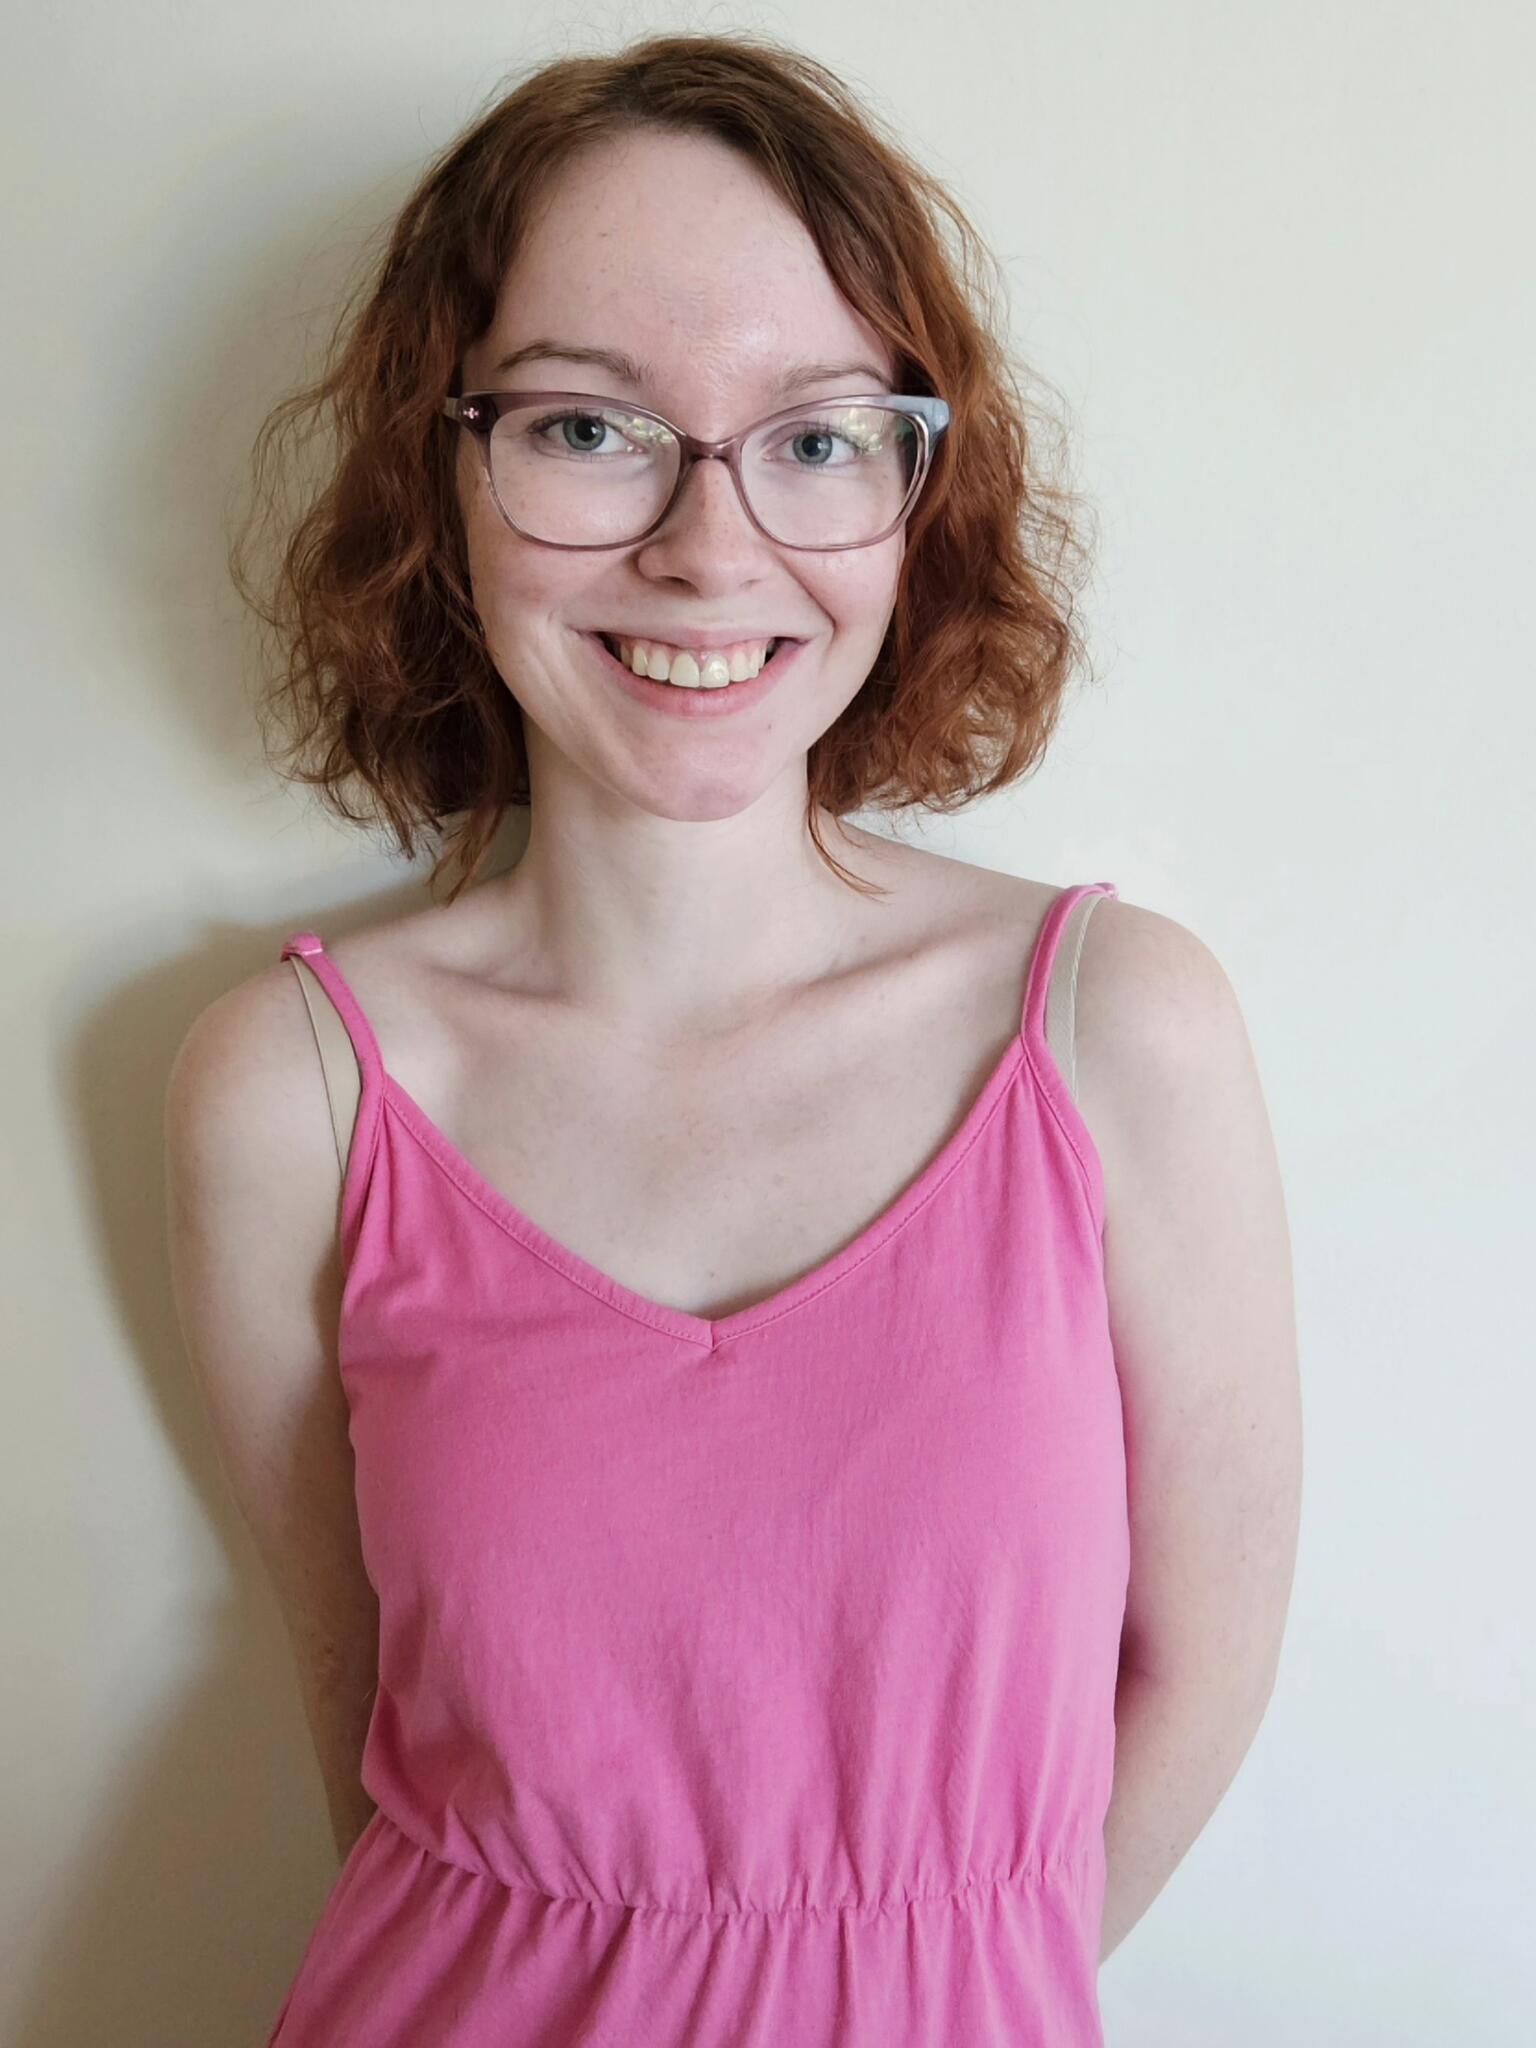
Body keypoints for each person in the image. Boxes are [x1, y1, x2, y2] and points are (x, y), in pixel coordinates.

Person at [163, 31, 1301, 2048]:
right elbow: (367, 1751)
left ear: (909, 488)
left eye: (816, 433)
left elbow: (1200, 1676)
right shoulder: (289, 1092)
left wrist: (896, 1978)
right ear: (448, 462)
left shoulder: (1124, 1037)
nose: (708, 545)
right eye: (591, 431)